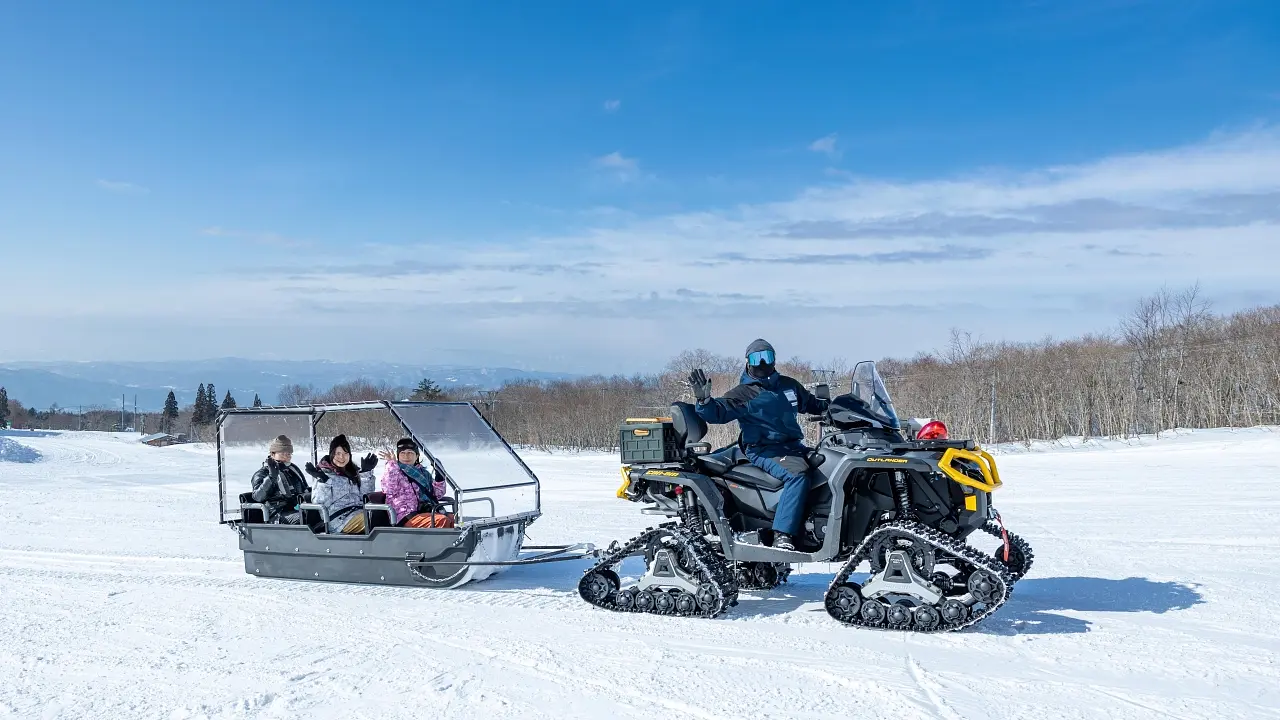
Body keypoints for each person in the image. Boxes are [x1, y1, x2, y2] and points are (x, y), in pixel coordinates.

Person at [688, 339, 829, 551]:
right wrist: (704, 402)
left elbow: (811, 404)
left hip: (793, 446)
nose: (762, 363)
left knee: (827, 465)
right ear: (748, 362)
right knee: (797, 475)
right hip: (763, 449)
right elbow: (718, 412)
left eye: (767, 357)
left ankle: (816, 527)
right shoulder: (744, 393)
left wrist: (837, 408)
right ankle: (783, 534)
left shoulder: (789, 386)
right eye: (756, 358)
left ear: (774, 359)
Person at [306, 434, 377, 534]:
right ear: (332, 454)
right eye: (337, 453)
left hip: (358, 512)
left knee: (383, 514)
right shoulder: (324, 474)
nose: (342, 457)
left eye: (345, 453)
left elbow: (365, 497)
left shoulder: (351, 472)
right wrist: (323, 481)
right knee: (374, 518)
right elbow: (320, 504)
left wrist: (366, 473)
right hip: (338, 520)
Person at [379, 437, 454, 528]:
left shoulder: (423, 473)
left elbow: (436, 495)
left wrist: (439, 477)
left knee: (455, 520)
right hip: (405, 516)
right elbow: (388, 488)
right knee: (441, 521)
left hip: (425, 512)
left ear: (417, 456)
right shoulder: (394, 471)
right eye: (402, 453)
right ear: (398, 456)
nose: (406, 456)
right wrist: (391, 464)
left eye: (410, 453)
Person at [249, 435, 309, 524]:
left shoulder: (292, 470)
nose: (287, 457)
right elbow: (258, 497)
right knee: (306, 517)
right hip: (276, 514)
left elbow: (305, 489)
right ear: (273, 454)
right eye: (283, 453)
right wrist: (270, 478)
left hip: (296, 508)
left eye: (289, 454)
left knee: (319, 513)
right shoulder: (262, 473)